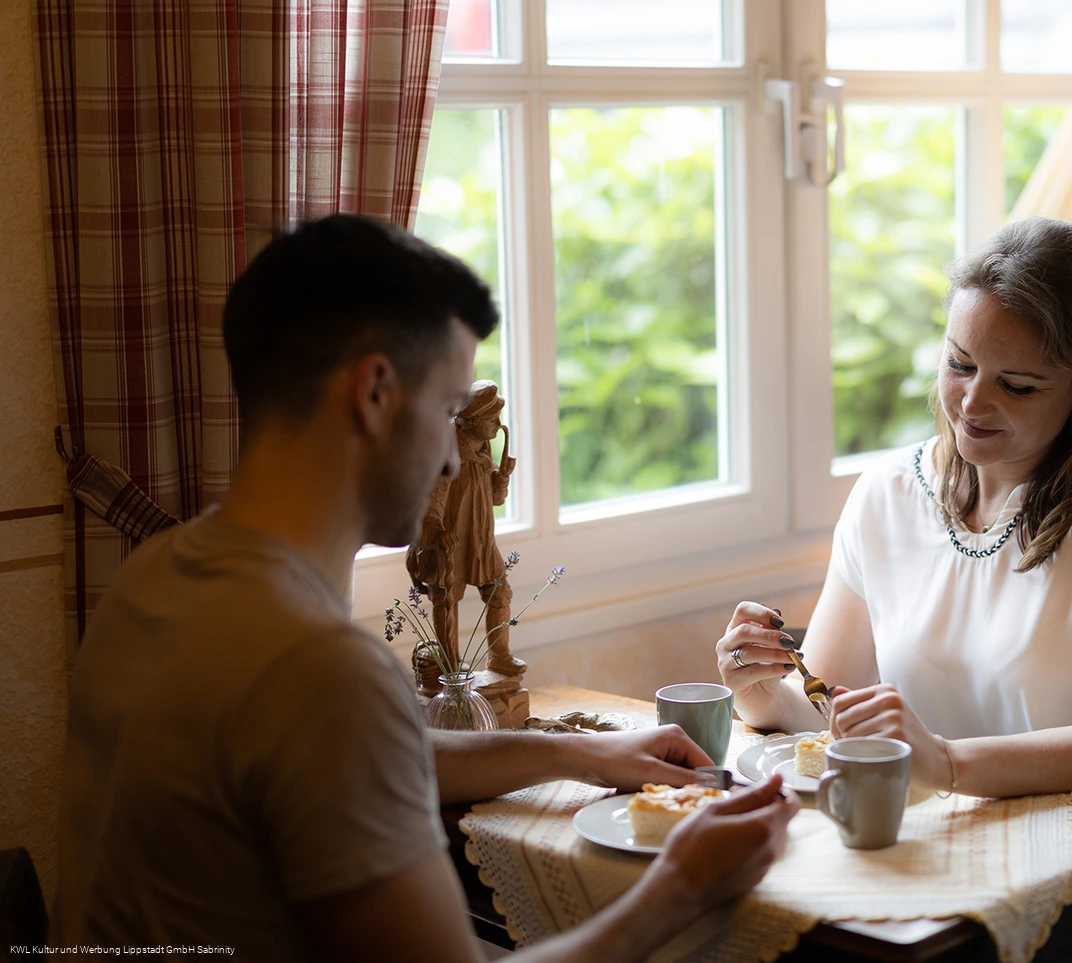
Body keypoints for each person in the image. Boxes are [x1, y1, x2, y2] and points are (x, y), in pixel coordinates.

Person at [54, 215, 799, 962]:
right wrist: (682, 886)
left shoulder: (152, 576)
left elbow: (369, 754)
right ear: (374, 392)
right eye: (447, 413)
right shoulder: (318, 668)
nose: (452, 460)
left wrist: (586, 757)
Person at [716, 217, 1072, 960]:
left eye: (1017, 384)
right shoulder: (886, 494)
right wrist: (758, 687)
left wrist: (949, 763)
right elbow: (826, 704)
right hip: (954, 874)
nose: (972, 403)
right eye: (960, 364)